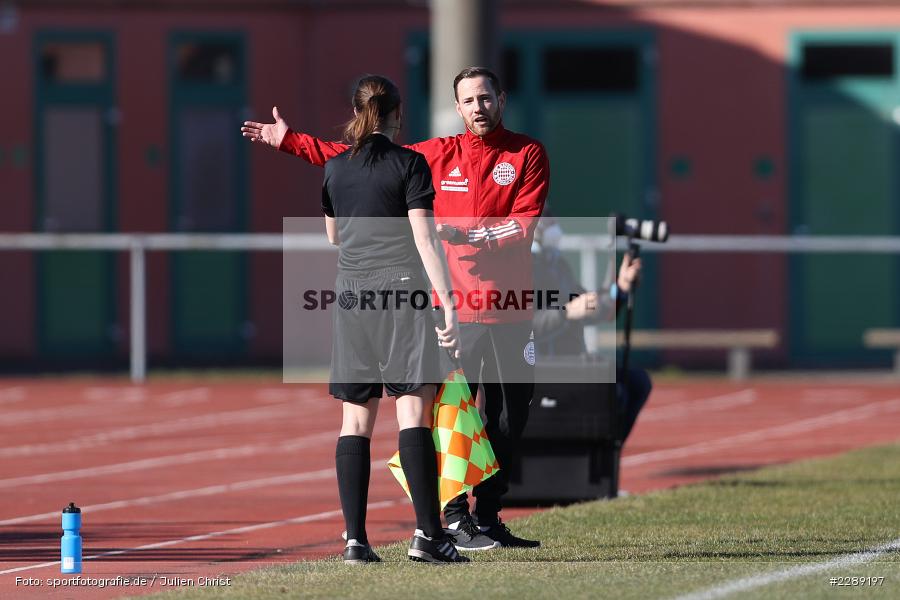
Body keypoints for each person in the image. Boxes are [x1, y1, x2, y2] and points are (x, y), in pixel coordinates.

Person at [242, 67, 548, 550]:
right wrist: (290, 141)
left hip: (509, 306)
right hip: (452, 307)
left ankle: (489, 514)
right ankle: (453, 517)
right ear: (457, 107)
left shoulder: (527, 153)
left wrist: (465, 235)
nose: (478, 107)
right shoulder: (434, 154)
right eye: (469, 100)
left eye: (485, 98)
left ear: (502, 100)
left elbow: (523, 224)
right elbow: (362, 159)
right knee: (451, 416)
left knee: (511, 417)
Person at [316, 75, 466, 564]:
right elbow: (425, 240)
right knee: (413, 413)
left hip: (352, 296)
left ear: (356, 111)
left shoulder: (335, 167)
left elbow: (335, 236)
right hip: (401, 293)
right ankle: (428, 535)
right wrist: (447, 303)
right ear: (398, 114)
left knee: (355, 420)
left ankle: (355, 541)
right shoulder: (410, 164)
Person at [531, 214, 652, 444]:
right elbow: (525, 325)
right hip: (540, 366)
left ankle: (608, 456)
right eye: (548, 220)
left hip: (571, 361)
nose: (555, 227)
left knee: (637, 382)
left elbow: (592, 306)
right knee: (613, 394)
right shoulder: (520, 269)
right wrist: (566, 312)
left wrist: (619, 289)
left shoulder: (559, 267)